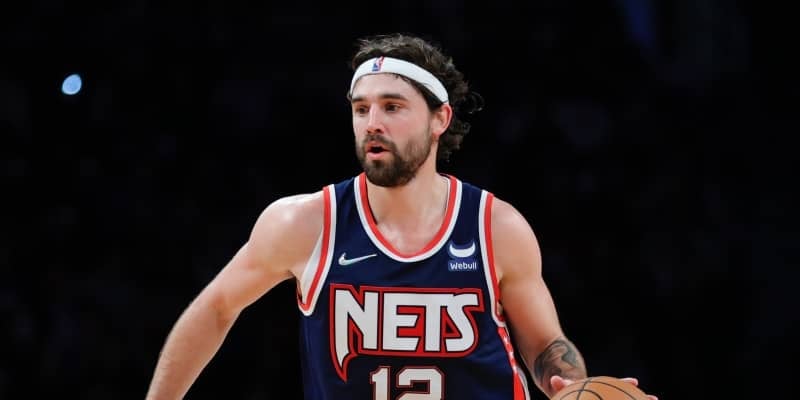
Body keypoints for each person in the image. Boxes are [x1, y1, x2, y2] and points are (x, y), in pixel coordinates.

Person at [145, 33, 656, 400]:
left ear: (440, 119)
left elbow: (546, 346)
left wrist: (573, 387)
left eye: (392, 107)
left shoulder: (495, 227)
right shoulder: (304, 223)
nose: (373, 123)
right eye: (361, 108)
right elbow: (215, 308)